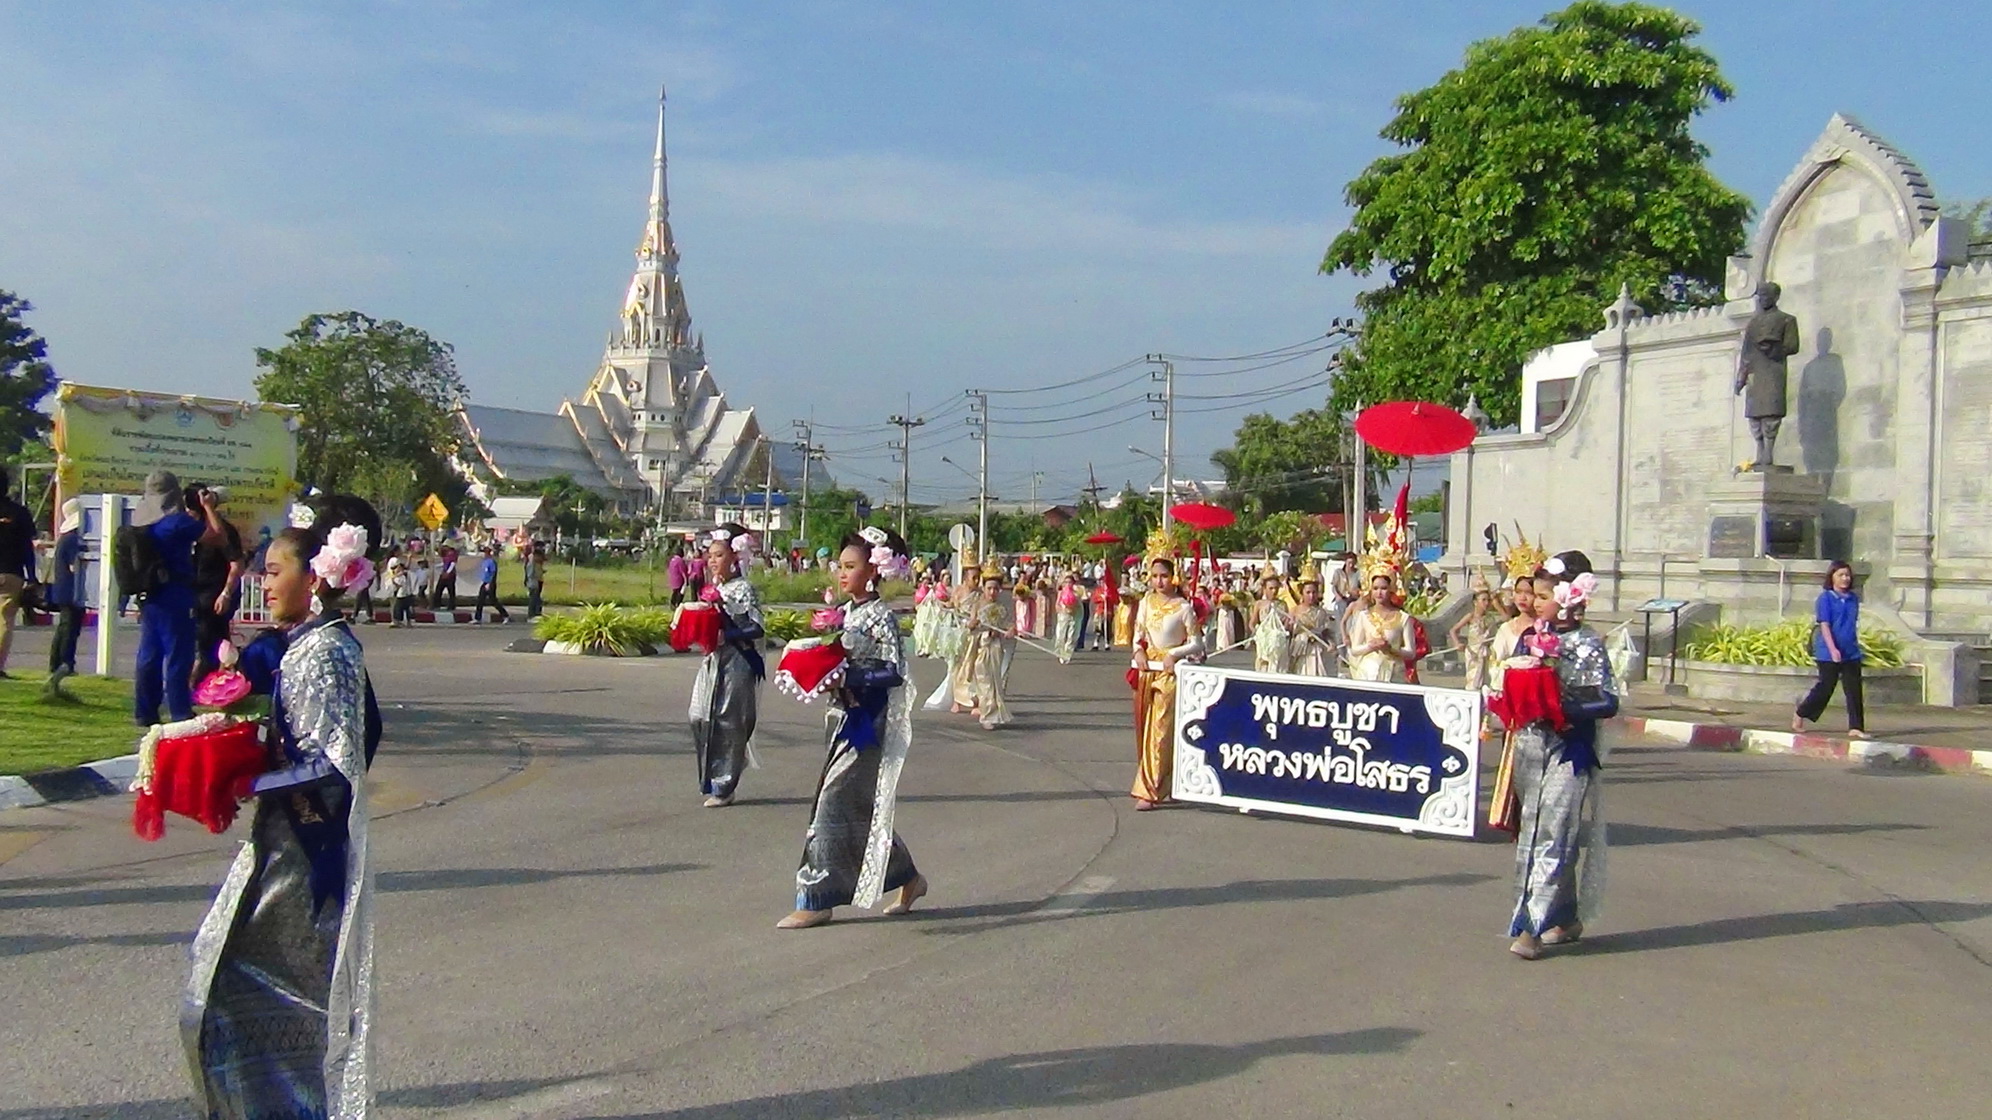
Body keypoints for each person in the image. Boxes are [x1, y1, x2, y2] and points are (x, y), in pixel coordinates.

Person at [183, 518, 380, 1116]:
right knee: (226, 987)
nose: (263, 584)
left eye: (273, 572)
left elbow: (335, 763)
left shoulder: (326, 651)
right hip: (281, 840)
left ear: (314, 577)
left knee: (252, 992)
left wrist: (247, 777)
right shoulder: (306, 644)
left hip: (305, 852)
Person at [781, 526, 926, 929]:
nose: (841, 574)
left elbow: (894, 671)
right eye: (839, 566)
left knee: (832, 802)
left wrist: (849, 676)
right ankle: (907, 877)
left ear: (873, 571)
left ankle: (816, 896)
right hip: (839, 717)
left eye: (850, 566)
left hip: (866, 722)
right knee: (856, 807)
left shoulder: (880, 616)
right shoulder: (845, 613)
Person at [1507, 551, 1618, 960]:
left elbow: (1607, 701)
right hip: (1531, 745)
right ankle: (1566, 916)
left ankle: (1530, 927)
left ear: (1569, 596)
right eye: (1534, 595)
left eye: (1545, 594)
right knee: (1535, 831)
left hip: (1570, 749)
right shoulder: (1528, 637)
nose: (1537, 602)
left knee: (1553, 832)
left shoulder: (1587, 644)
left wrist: (1559, 708)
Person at [132, 471, 225, 724]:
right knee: (178, 653)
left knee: (149, 653)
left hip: (150, 592)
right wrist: (208, 507)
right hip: (176, 592)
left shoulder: (141, 523)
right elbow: (217, 536)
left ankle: (145, 711)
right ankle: (179, 709)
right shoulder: (176, 523)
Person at [692, 524, 766, 807]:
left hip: (738, 661)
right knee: (698, 716)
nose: (712, 560)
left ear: (735, 557)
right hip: (714, 660)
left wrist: (728, 634)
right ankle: (719, 771)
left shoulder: (743, 589)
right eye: (710, 555)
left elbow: (757, 627)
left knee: (728, 720)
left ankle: (724, 785)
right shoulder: (713, 589)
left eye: (719, 554)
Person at [1129, 545, 1202, 810]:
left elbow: (1197, 643)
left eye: (1164, 576)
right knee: (1144, 730)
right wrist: (1138, 651)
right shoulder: (1146, 602)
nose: (1159, 581)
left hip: (1169, 675)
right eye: (1155, 576)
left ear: (1173, 576)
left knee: (1160, 731)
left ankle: (1150, 790)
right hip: (1147, 670)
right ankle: (1162, 783)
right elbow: (1138, 635)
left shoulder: (1183, 607)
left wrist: (1174, 654)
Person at [1793, 561, 1869, 740]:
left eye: (1847, 575)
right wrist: (1833, 648)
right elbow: (1825, 625)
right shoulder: (1825, 599)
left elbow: (1851, 624)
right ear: (1832, 577)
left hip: (1850, 650)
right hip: (1828, 651)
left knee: (1854, 689)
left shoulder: (1853, 599)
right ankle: (1801, 713)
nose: (1845, 579)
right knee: (1826, 687)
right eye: (1840, 575)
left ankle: (1856, 727)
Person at [950, 566, 1015, 730]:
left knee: (995, 683)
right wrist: (972, 625)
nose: (992, 592)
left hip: (996, 649)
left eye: (995, 589)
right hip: (981, 649)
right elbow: (970, 627)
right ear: (984, 589)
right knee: (984, 682)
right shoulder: (977, 605)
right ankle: (987, 714)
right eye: (989, 588)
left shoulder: (1002, 608)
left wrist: (1010, 631)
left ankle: (994, 713)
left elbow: (1009, 625)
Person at [44, 498, 86, 692]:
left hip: (62, 589)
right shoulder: (72, 540)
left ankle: (58, 662)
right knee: (70, 628)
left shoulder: (64, 539)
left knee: (64, 627)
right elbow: (74, 565)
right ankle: (65, 662)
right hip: (71, 590)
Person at [1345, 571, 1413, 683]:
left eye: (1384, 588)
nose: (1379, 593)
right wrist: (1370, 646)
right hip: (1368, 674)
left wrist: (1390, 649)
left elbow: (1411, 653)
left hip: (1394, 674)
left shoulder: (1403, 617)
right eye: (1375, 588)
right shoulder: (1364, 616)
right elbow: (1355, 650)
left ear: (1391, 589)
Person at [0, 466, 35, 679]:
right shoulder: (19, 513)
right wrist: (32, 576)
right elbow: (26, 547)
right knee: (5, 620)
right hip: (10, 572)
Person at [1287, 570, 1337, 678]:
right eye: (1308, 592)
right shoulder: (1294, 611)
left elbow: (1326, 632)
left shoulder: (1321, 612)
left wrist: (1331, 643)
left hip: (1317, 649)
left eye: (1314, 592)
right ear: (1302, 593)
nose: (1311, 596)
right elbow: (1288, 632)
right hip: (1300, 649)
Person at [1248, 570, 1290, 674]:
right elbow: (1252, 623)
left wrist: (1285, 630)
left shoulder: (1282, 604)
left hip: (1278, 642)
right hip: (1264, 641)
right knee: (1264, 666)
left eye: (1276, 588)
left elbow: (1286, 624)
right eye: (1271, 588)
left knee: (1278, 667)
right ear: (1264, 589)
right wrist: (1257, 633)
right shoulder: (1259, 604)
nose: (1274, 591)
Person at [471, 545, 509, 624]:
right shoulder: (484, 562)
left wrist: (489, 583)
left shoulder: (491, 562)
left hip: (490, 583)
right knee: (480, 600)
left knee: (493, 601)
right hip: (485, 582)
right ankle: (478, 618)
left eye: (486, 553)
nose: (484, 554)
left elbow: (493, 573)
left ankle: (505, 615)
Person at [1053, 572, 1082, 662]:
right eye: (1066, 582)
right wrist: (1061, 610)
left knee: (1072, 636)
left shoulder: (1076, 593)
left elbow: (1079, 605)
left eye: (1070, 582)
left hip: (1074, 616)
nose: (1068, 584)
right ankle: (1060, 653)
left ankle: (1067, 654)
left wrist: (1073, 608)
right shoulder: (1061, 592)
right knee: (1060, 635)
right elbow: (1057, 604)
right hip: (1063, 615)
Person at [386, 556, 415, 627]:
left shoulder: (402, 575)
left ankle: (404, 622)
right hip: (400, 594)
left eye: (398, 567)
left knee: (405, 609)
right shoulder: (394, 574)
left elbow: (399, 584)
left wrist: (393, 580)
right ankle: (397, 621)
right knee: (399, 609)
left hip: (404, 594)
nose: (397, 568)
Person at [431, 545, 458, 612]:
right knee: (439, 589)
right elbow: (444, 563)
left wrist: (448, 572)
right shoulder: (445, 554)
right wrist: (435, 566)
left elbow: (452, 564)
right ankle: (437, 605)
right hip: (444, 573)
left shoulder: (452, 553)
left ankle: (451, 605)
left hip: (450, 575)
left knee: (451, 591)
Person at [523, 541, 546, 619]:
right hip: (534, 580)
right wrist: (528, 578)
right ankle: (532, 614)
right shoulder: (532, 558)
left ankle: (537, 613)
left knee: (537, 597)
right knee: (534, 597)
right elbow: (529, 569)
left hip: (539, 579)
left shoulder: (539, 557)